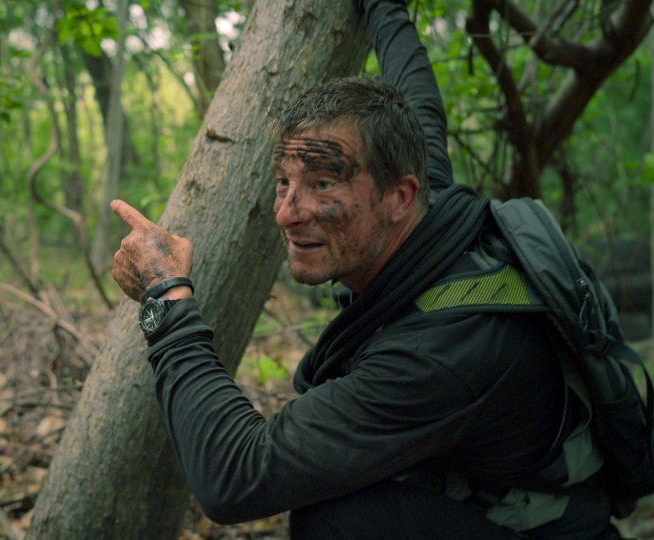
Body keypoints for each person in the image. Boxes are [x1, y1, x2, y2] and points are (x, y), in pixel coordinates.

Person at [111, 1, 616, 538]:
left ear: (399, 195)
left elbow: (234, 478)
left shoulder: (446, 349)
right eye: (284, 181)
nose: (286, 212)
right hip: (475, 487)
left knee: (336, 521)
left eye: (323, 183)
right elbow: (418, 96)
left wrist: (166, 298)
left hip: (554, 526)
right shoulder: (426, 213)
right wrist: (383, 9)